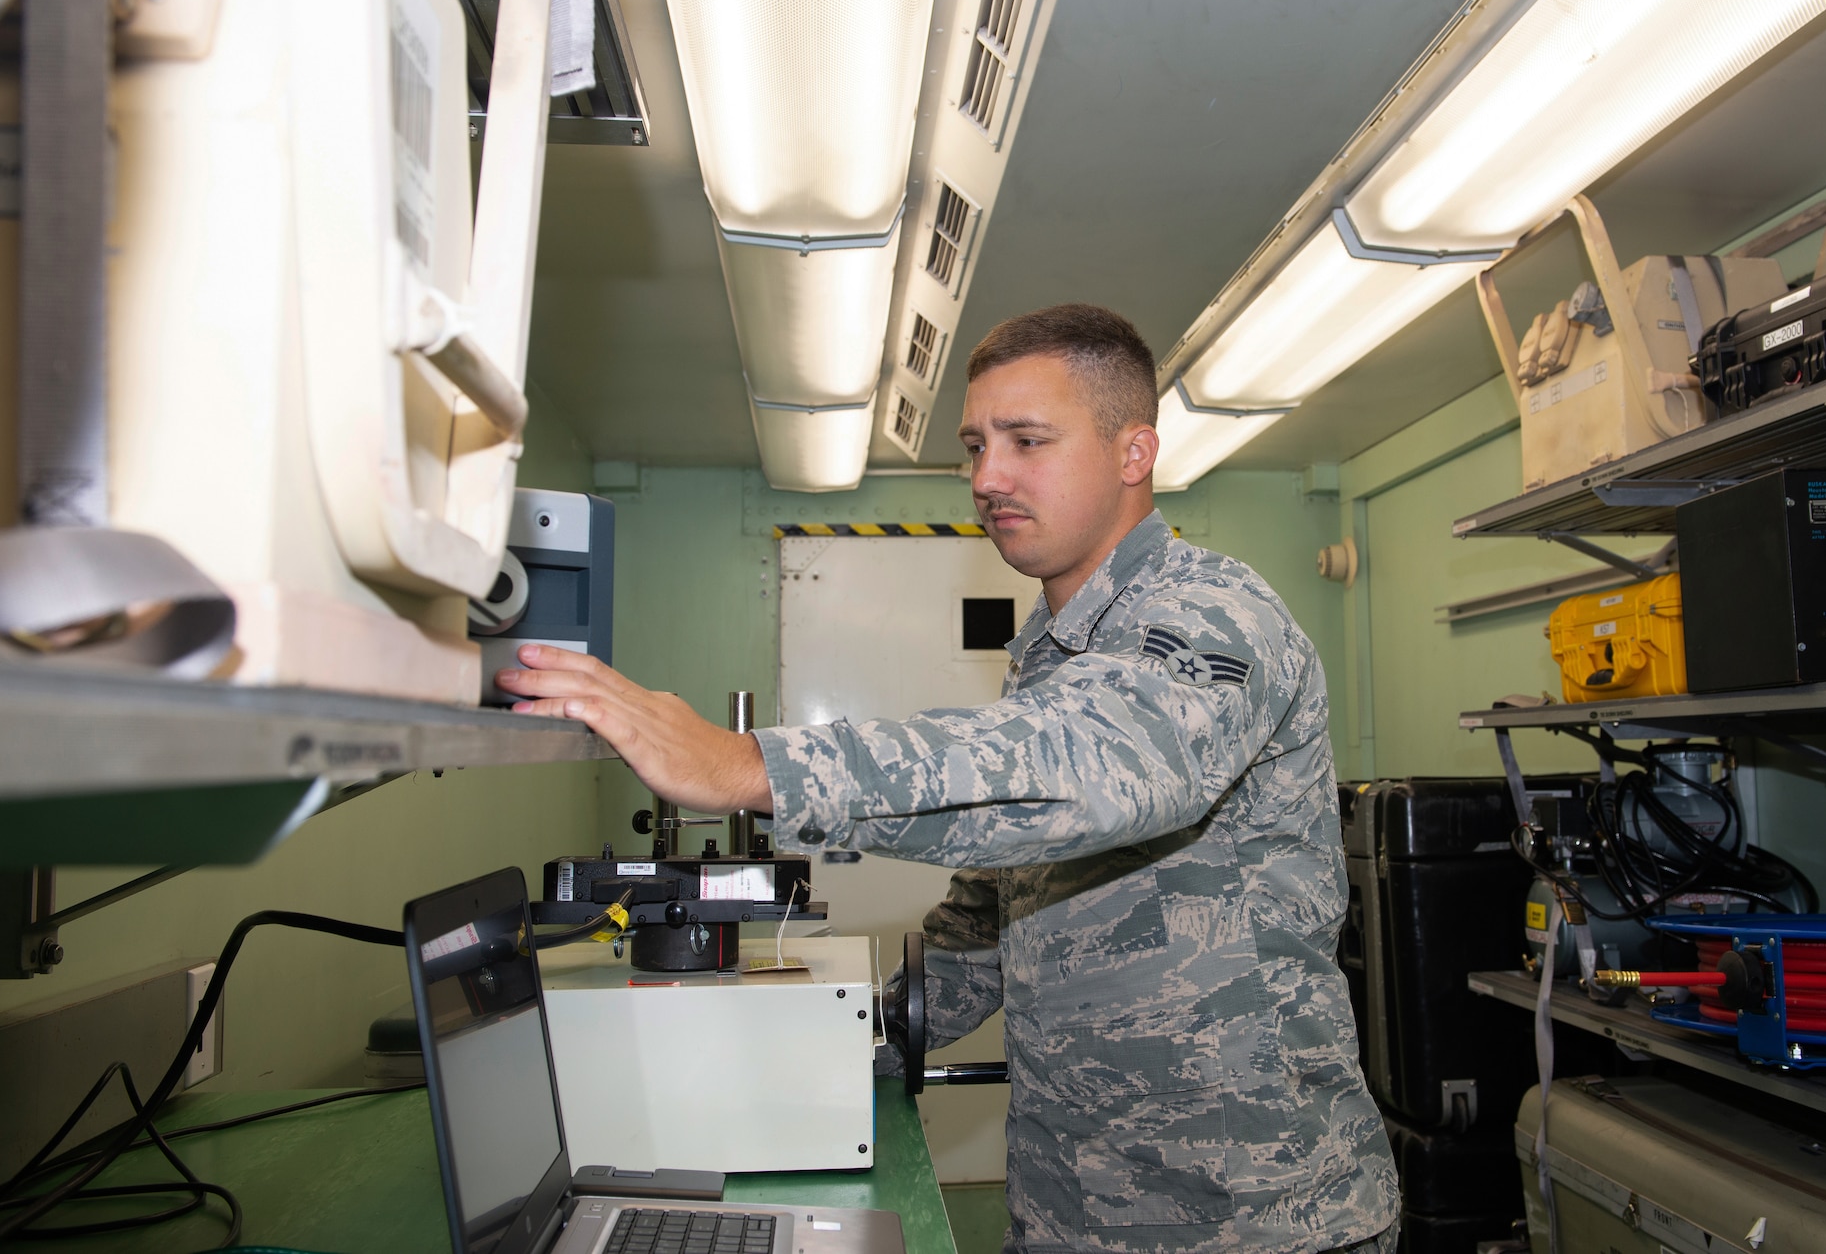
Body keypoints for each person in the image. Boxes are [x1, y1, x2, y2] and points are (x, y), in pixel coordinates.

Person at [497, 303, 1398, 1254]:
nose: (986, 477)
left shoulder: (1216, 612)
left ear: (1134, 454)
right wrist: (847, 1040)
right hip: (1074, 1206)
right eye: (975, 444)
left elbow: (1093, 774)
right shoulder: (1048, 657)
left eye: (1027, 441)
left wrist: (745, 764)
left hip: (1258, 1218)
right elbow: (991, 918)